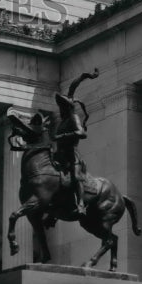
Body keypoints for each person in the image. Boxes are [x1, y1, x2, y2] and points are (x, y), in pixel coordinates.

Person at [51, 68, 98, 217]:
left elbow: (81, 133)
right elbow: (72, 87)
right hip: (60, 156)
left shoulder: (73, 118)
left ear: (67, 107)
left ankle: (81, 204)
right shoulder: (63, 121)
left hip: (72, 155)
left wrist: (64, 136)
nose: (60, 109)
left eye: (62, 106)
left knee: (76, 177)